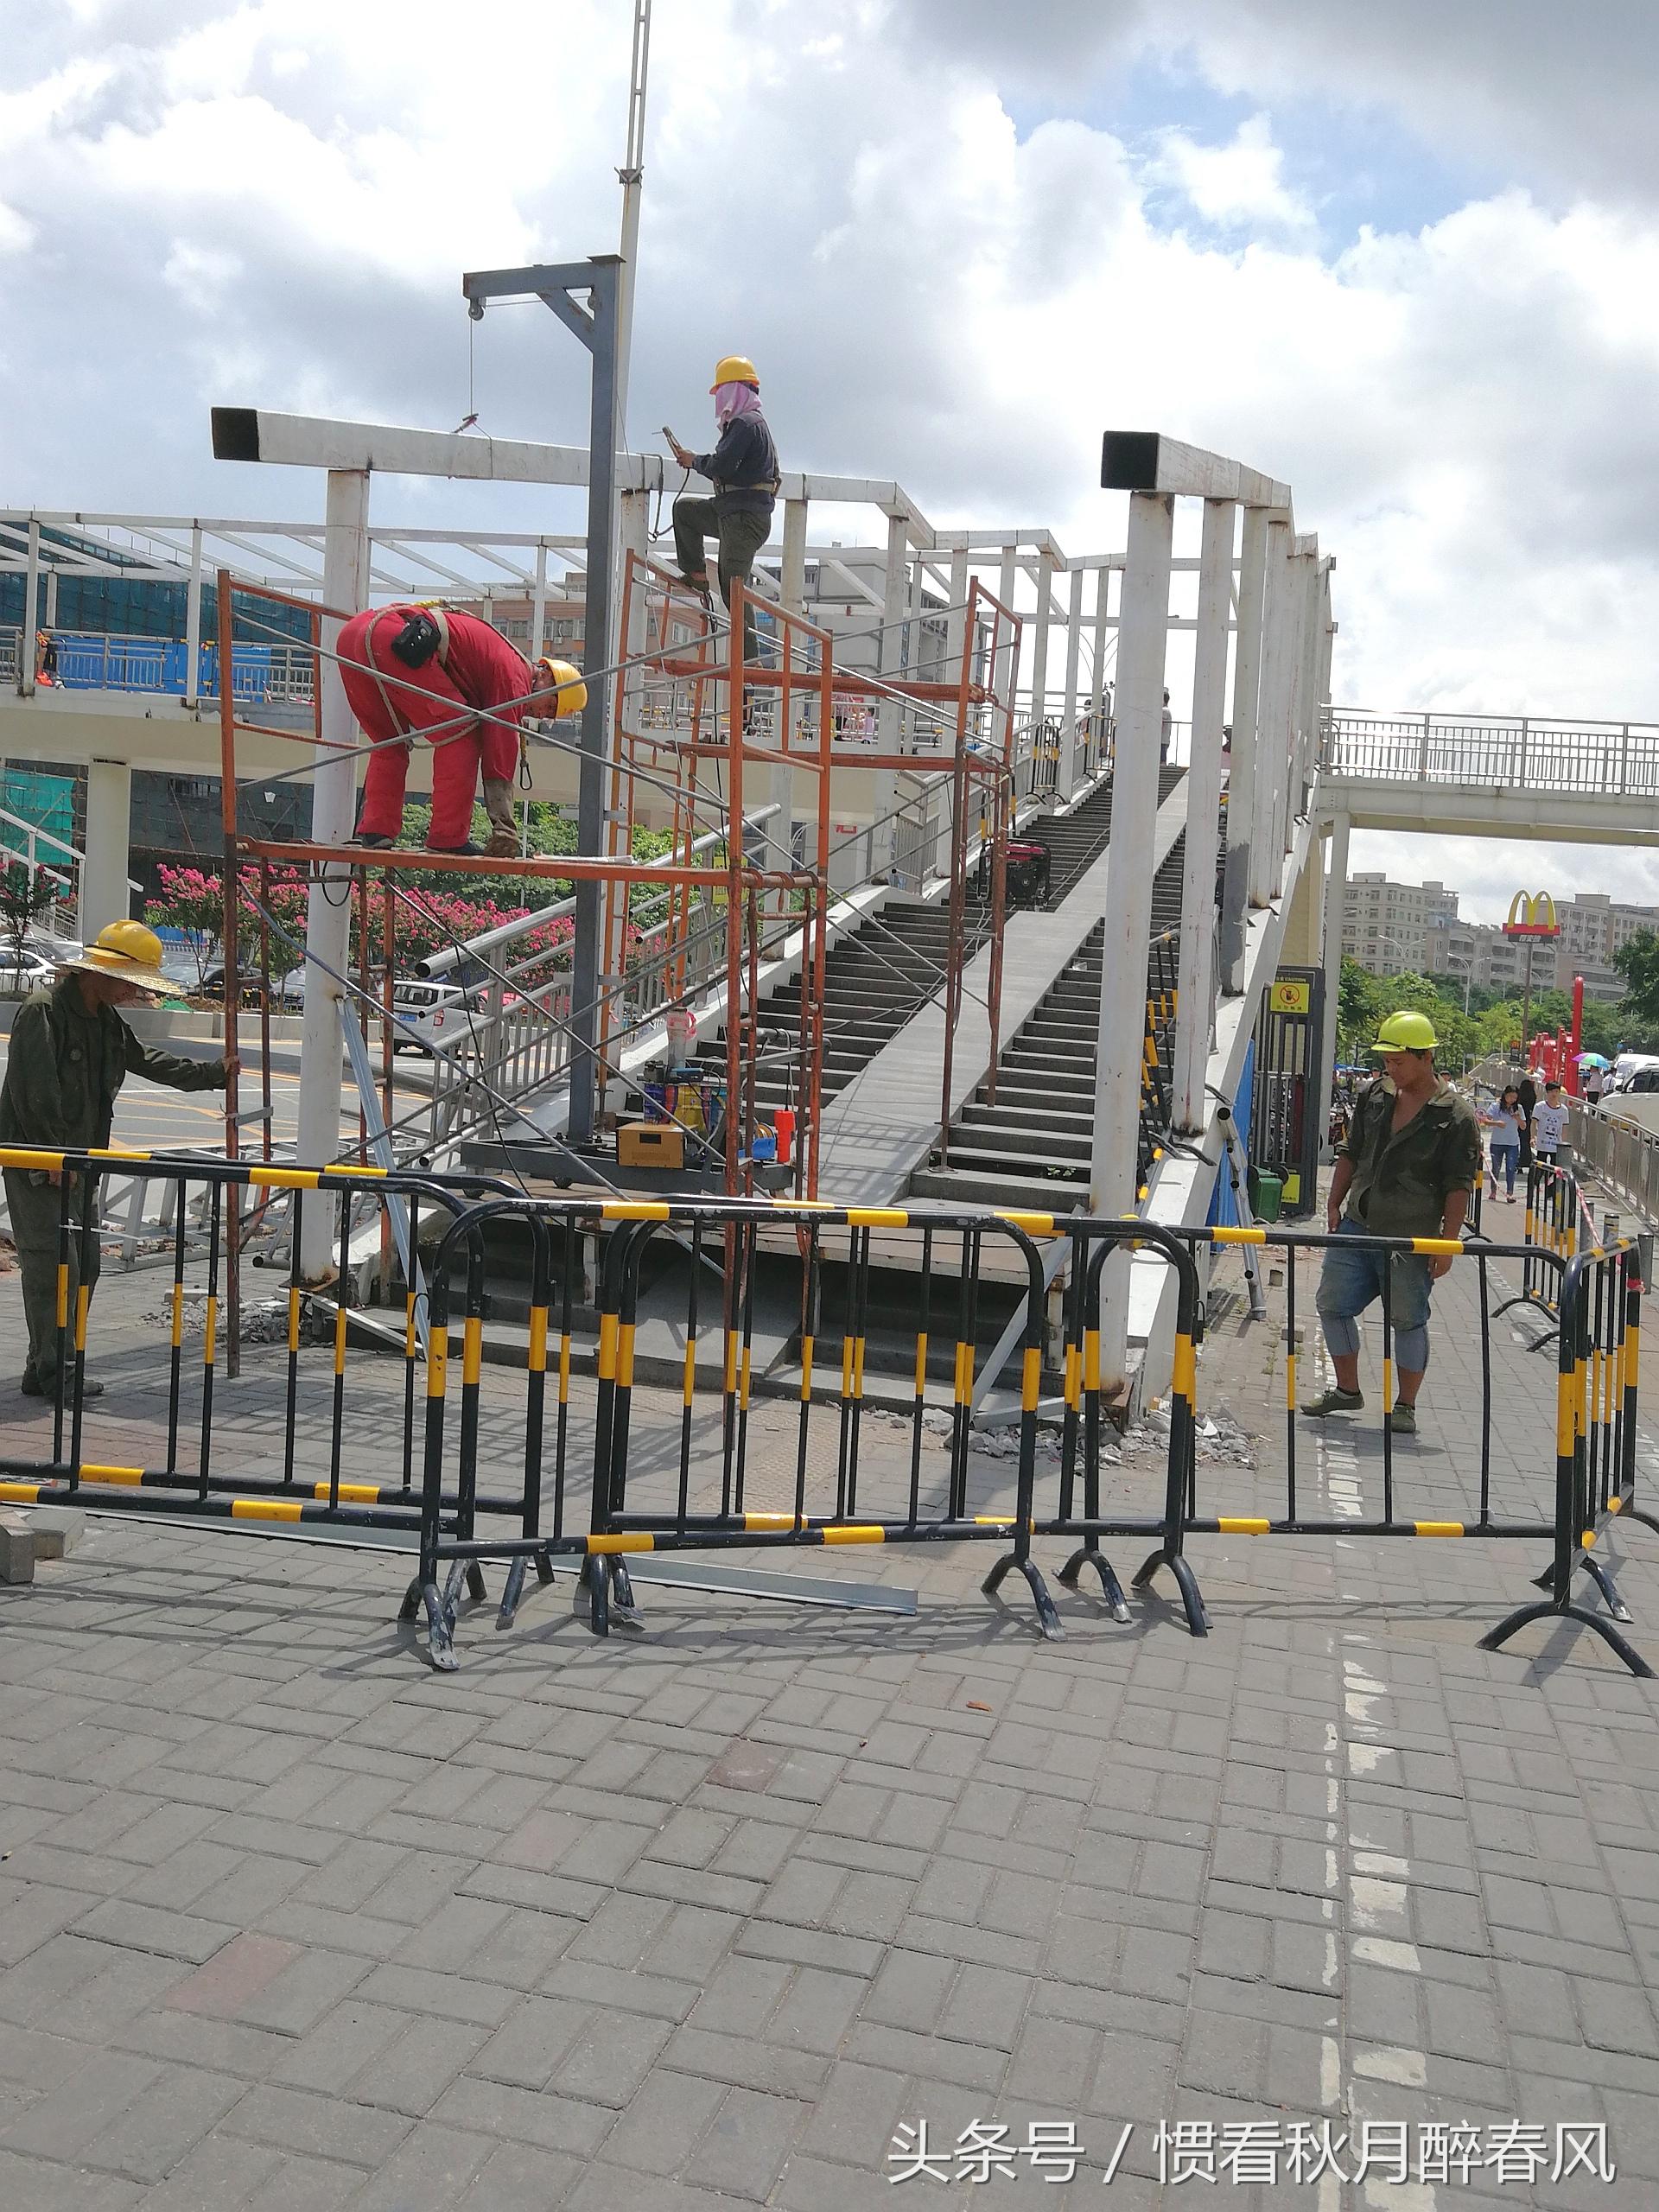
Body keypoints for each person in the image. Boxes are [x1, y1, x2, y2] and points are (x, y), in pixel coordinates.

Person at [0, 923, 231, 1400]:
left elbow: (146, 1059)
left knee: (84, 1267)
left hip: (82, 1165)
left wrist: (213, 1075)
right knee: (51, 1267)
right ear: (100, 972)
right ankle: (56, 1373)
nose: (133, 992)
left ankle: (40, 1366)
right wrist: (52, 1157)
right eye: (130, 981)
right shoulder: (44, 1012)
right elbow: (33, 1092)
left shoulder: (104, 1019)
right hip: (40, 1165)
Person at [1301, 1010, 1481, 1436]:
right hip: (1358, 1226)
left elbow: (1459, 1186)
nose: (1390, 1069)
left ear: (1426, 1057)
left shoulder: (1455, 1117)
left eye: (1399, 1061)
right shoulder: (1374, 1096)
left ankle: (1405, 1405)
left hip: (1411, 1239)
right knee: (1333, 1304)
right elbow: (1351, 1151)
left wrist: (1447, 1244)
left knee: (1407, 1320)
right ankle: (1347, 1390)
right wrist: (1333, 1202)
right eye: (1387, 1060)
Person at [339, 605, 586, 859]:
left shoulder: (503, 659)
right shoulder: (515, 678)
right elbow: (500, 749)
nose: (542, 714)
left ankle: (376, 832)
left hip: (355, 634)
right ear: (545, 677)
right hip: (395, 639)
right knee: (462, 735)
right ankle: (448, 837)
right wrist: (504, 826)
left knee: (389, 743)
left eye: (550, 715)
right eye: (551, 705)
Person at [668, 355, 781, 671]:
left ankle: (749, 665)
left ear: (731, 390)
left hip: (744, 517)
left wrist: (694, 461)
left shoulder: (746, 425)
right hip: (734, 512)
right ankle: (697, 574)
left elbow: (722, 465)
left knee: (733, 584)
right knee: (686, 511)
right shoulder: (752, 425)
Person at [1484, 1084, 1525, 1202]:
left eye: (1515, 1097)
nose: (1512, 1099)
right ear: (1505, 1095)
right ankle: (1493, 1191)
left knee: (1511, 1168)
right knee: (1496, 1168)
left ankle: (1509, 1193)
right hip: (1497, 1142)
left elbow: (1523, 1127)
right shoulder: (1495, 1106)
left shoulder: (1519, 1108)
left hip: (1512, 1143)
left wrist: (1517, 1118)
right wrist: (1497, 1123)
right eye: (1510, 1096)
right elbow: (1486, 1121)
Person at [1532, 1078, 1569, 1167]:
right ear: (1547, 1092)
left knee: (1556, 1170)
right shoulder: (1540, 1107)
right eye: (1551, 1091)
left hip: (1557, 1146)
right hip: (1542, 1144)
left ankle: (1551, 1182)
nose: (1554, 1094)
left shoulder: (1564, 1110)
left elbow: (1565, 1127)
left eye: (1556, 1091)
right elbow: (1533, 1123)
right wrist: (1532, 1137)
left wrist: (1563, 1144)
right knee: (1540, 1167)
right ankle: (1536, 1181)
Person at [1516, 1067, 1539, 1171]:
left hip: (1520, 1119)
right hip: (1529, 1119)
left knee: (1519, 1139)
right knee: (1526, 1140)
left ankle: (1520, 1159)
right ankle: (1527, 1159)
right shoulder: (1532, 1096)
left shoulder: (1520, 1097)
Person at [1160, 688, 1173, 765]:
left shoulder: (1164, 710)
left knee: (1162, 759)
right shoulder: (1167, 710)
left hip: (1162, 739)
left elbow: (1161, 724)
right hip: (1165, 739)